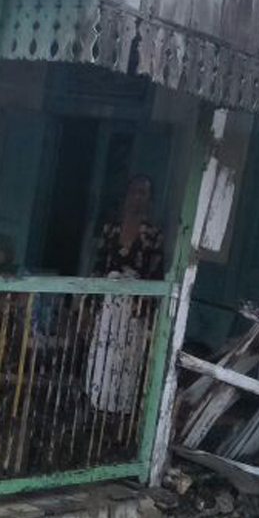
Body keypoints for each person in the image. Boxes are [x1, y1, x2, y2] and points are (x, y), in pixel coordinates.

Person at [85, 175, 165, 414]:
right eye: (134, 192)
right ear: (126, 195)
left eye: (144, 193)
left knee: (127, 356)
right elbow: (98, 265)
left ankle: (120, 411)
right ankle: (96, 404)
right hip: (108, 303)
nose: (138, 198)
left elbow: (155, 273)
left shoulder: (153, 234)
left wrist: (145, 308)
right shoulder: (110, 228)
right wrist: (90, 302)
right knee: (102, 352)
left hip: (134, 306)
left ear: (150, 200)